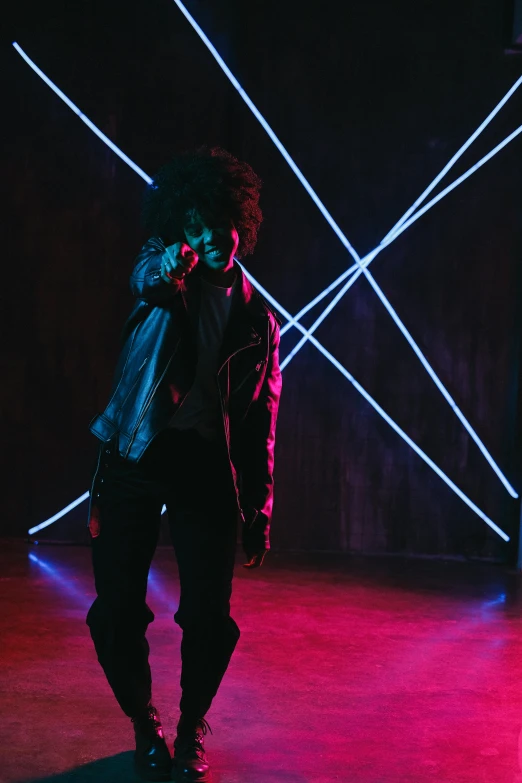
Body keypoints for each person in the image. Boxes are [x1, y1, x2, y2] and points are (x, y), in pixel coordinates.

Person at [85, 147, 282, 782]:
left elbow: (259, 422)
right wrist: (170, 262)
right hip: (137, 454)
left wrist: (259, 508)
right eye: (193, 226)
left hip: (205, 464)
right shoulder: (164, 277)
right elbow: (148, 276)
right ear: (181, 228)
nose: (209, 237)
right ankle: (145, 722)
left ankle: (193, 722)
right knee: (116, 609)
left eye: (219, 223)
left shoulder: (256, 318)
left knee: (208, 615)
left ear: (241, 224)